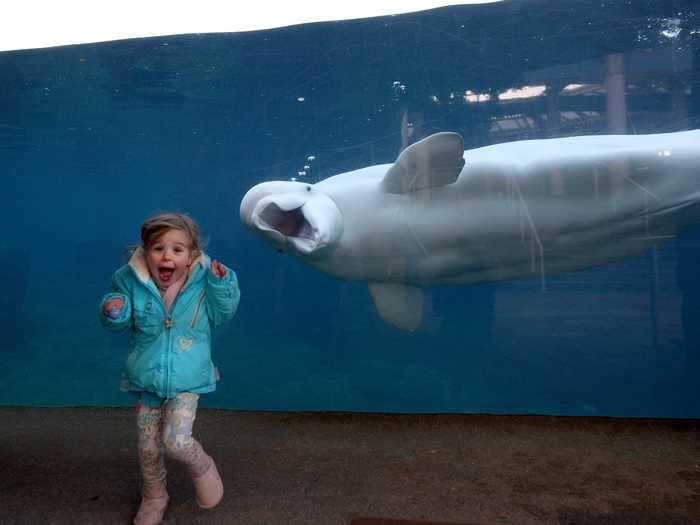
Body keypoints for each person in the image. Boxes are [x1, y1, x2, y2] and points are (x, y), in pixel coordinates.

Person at [99, 212, 240, 525]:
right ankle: (154, 496)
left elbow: (221, 315)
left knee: (176, 441)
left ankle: (203, 466)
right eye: (158, 248)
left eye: (177, 250)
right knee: (148, 447)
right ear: (145, 251)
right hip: (146, 378)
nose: (167, 256)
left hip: (189, 378)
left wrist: (222, 285)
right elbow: (118, 320)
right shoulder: (128, 278)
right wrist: (113, 310)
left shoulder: (205, 279)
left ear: (191, 256)